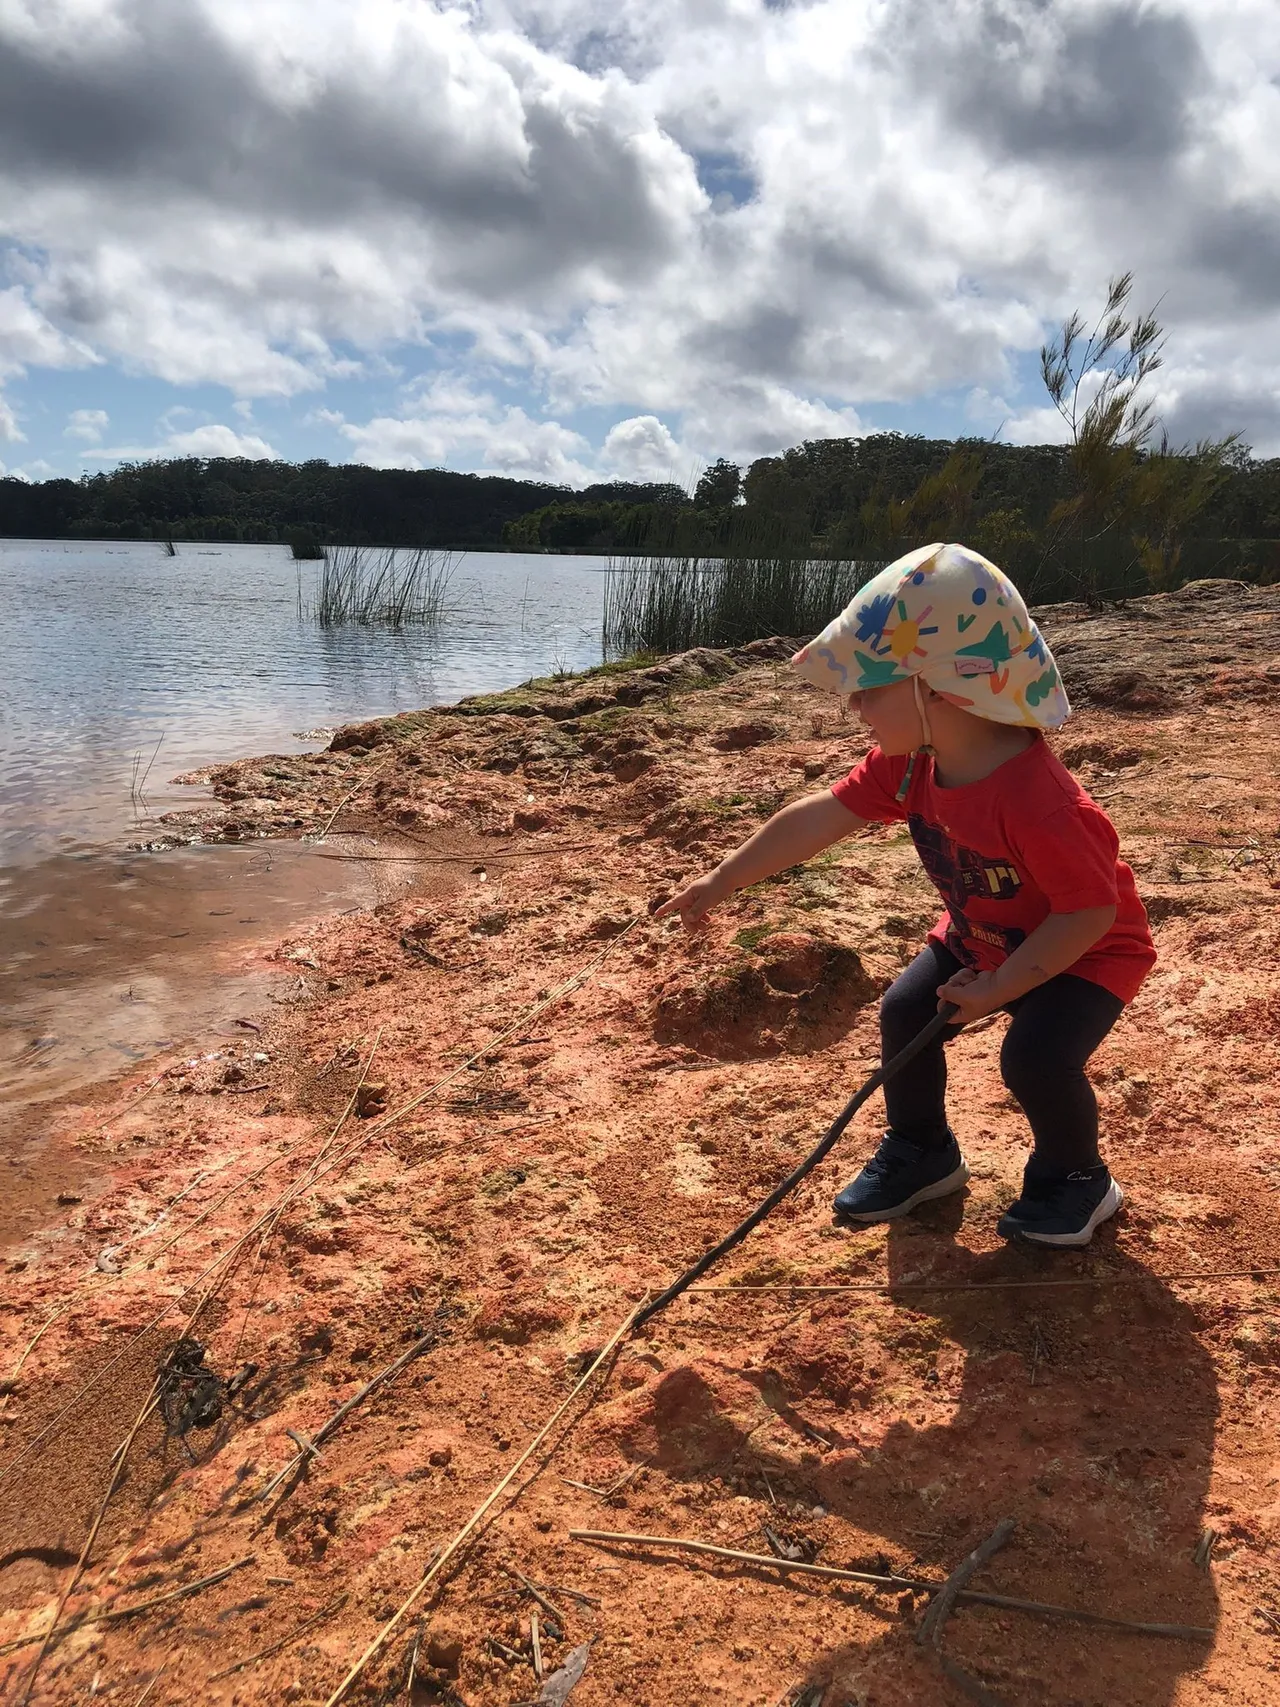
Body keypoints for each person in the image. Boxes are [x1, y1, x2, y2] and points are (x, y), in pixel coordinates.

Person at [655, 543, 1155, 1248]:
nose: (856, 706)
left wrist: (1005, 985)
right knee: (905, 1013)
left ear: (940, 687)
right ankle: (923, 1149)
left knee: (1035, 1058)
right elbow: (819, 816)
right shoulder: (909, 765)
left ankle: (1077, 1177)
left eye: (871, 687)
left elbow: (1088, 910)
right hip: (981, 934)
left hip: (1082, 951)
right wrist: (720, 879)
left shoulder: (1040, 802)